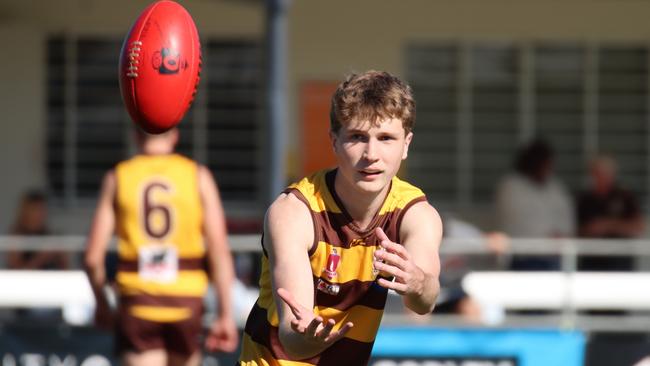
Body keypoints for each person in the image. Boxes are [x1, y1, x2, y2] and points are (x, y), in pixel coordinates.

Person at [239, 71, 442, 365]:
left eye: (386, 138)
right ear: (334, 141)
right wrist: (308, 338)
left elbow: (425, 302)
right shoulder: (294, 212)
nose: (371, 154)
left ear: (406, 144)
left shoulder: (416, 213)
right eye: (357, 137)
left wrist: (417, 282)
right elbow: (291, 340)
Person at [84, 128, 238, 366]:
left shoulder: (119, 177)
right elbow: (219, 250)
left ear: (135, 136)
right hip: (186, 299)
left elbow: (92, 258)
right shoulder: (197, 176)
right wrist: (225, 314)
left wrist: (102, 304)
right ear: (174, 136)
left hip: (138, 300)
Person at [495, 138, 575, 270]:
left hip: (556, 258)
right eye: (544, 164)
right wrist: (547, 236)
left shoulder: (555, 187)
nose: (548, 168)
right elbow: (517, 220)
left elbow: (566, 214)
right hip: (524, 258)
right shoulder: (511, 187)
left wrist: (562, 234)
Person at [576, 155, 644, 271]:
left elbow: (638, 226)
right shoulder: (585, 199)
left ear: (612, 175)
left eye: (604, 174)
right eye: (596, 174)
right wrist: (590, 229)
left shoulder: (624, 196)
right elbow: (575, 229)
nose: (599, 178)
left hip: (620, 261)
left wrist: (608, 225)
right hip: (591, 261)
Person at [7, 190, 68, 270]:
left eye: (42, 209)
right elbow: (16, 273)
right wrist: (42, 257)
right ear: (26, 211)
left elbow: (65, 270)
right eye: (35, 209)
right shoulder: (17, 235)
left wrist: (62, 254)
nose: (40, 214)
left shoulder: (49, 234)